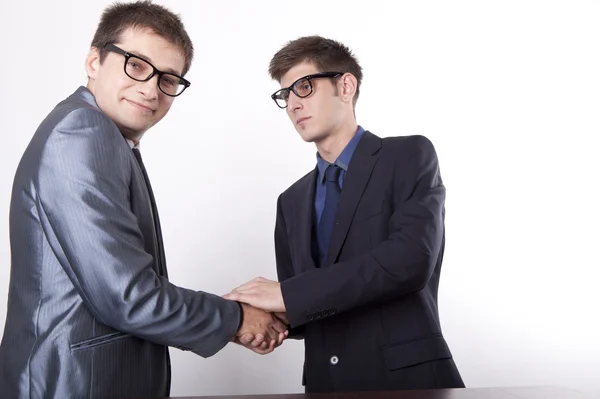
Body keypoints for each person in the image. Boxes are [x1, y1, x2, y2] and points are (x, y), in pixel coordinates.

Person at [0, 1, 286, 398]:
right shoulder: (82, 132)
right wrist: (235, 318)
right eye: (136, 65)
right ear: (94, 61)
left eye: (169, 78)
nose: (151, 88)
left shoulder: (107, 137)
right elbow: (129, 297)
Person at [224, 35, 465, 393]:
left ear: (346, 85)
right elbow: (310, 306)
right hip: (326, 384)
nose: (292, 104)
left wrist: (288, 295)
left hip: (408, 382)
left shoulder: (408, 155)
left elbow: (410, 261)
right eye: (285, 94)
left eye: (303, 87)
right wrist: (255, 320)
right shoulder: (290, 201)